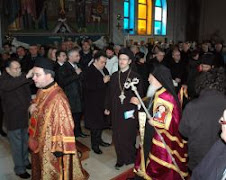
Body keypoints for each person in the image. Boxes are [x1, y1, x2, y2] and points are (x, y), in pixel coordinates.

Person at [28, 57, 89, 180]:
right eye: (34, 74)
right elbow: (38, 107)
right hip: (39, 141)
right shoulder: (42, 90)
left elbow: (66, 125)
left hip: (51, 148)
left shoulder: (58, 98)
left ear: (49, 76)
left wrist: (59, 150)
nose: (33, 78)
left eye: (37, 75)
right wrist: (31, 108)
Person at [134, 64, 188, 180]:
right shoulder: (160, 90)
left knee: (152, 155)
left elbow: (160, 121)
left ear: (158, 78)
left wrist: (154, 121)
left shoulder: (165, 96)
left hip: (157, 133)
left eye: (150, 77)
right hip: (151, 130)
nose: (148, 79)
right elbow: (152, 103)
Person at [179, 68, 226, 173]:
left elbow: (183, 131)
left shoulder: (192, 106)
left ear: (201, 83)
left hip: (198, 159)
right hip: (221, 160)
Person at [105, 48, 143, 169]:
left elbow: (140, 96)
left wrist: (137, 106)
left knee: (128, 135)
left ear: (130, 61)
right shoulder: (115, 75)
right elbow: (109, 93)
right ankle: (120, 159)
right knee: (117, 135)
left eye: (124, 59)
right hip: (116, 109)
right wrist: (107, 107)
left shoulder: (135, 76)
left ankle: (130, 156)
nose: (121, 61)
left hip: (129, 111)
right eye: (120, 59)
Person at [0, 59, 32, 179]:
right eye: (16, 68)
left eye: (19, 68)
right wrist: (26, 76)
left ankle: (25, 161)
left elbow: (27, 88)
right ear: (8, 70)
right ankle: (19, 169)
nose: (19, 70)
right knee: (17, 145)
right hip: (13, 118)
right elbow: (10, 86)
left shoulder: (20, 77)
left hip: (24, 116)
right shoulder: (4, 80)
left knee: (24, 141)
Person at [84, 51, 111, 154]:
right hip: (92, 103)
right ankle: (95, 145)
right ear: (95, 60)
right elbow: (88, 87)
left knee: (100, 124)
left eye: (105, 62)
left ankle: (100, 140)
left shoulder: (103, 69)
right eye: (101, 62)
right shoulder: (89, 71)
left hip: (102, 101)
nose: (103, 64)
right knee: (95, 126)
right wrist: (102, 82)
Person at [58, 48, 88, 138]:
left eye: (79, 55)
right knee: (72, 117)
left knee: (78, 115)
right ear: (70, 57)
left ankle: (78, 132)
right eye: (77, 56)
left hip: (80, 95)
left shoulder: (78, 65)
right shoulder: (64, 67)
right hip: (71, 96)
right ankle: (72, 134)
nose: (79, 57)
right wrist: (76, 74)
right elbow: (63, 82)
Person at [191, 109, 226, 180]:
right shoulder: (220, 146)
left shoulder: (192, 106)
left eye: (224, 120)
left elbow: (183, 130)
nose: (219, 121)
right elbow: (198, 174)